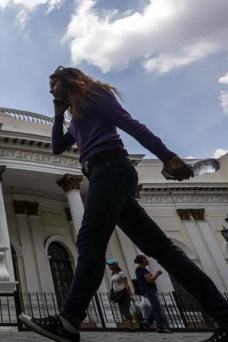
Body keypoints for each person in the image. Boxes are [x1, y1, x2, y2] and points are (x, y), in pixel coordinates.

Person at [18, 66, 228, 342]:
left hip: (110, 168)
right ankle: (224, 316)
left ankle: (68, 321)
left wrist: (168, 156)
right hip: (103, 173)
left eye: (53, 86)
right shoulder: (79, 113)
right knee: (163, 250)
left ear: (68, 81)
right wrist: (58, 115)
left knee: (90, 244)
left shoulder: (93, 94)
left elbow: (131, 124)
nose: (51, 92)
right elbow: (57, 146)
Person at [134, 255, 172, 333]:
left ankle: (147, 322)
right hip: (149, 290)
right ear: (143, 260)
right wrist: (157, 274)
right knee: (156, 307)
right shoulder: (142, 269)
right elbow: (150, 280)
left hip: (146, 290)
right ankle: (160, 327)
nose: (148, 260)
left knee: (155, 306)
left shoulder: (139, 269)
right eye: (146, 259)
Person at [106, 259, 135, 331]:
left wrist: (130, 294)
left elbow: (126, 284)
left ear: (115, 265)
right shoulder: (113, 274)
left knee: (126, 309)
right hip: (118, 293)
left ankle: (131, 326)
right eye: (109, 265)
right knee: (122, 310)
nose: (109, 266)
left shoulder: (121, 273)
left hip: (124, 292)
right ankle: (129, 324)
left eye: (110, 265)